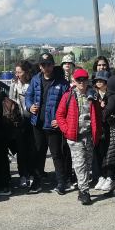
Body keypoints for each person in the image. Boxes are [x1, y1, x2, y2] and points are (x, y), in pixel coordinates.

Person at [25, 52, 70, 194]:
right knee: (39, 153)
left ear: (53, 65)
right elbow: (28, 96)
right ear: (40, 66)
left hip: (54, 125)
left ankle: (61, 183)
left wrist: (61, 119)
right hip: (37, 123)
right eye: (43, 65)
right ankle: (37, 182)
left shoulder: (62, 83)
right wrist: (29, 106)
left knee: (57, 154)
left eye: (49, 64)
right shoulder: (35, 80)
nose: (46, 67)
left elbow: (68, 103)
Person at [57, 69, 101, 206]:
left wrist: (97, 132)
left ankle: (82, 189)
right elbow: (59, 115)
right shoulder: (68, 96)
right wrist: (66, 130)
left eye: (84, 79)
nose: (81, 82)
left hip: (89, 136)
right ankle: (84, 192)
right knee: (80, 164)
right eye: (78, 80)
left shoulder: (93, 95)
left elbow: (98, 115)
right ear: (74, 81)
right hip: (74, 136)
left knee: (87, 164)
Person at [8, 60, 33, 188]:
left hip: (32, 119)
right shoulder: (14, 85)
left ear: (26, 72)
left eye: (20, 72)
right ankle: (23, 174)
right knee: (21, 150)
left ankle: (32, 173)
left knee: (32, 149)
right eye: (16, 72)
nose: (17, 74)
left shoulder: (32, 83)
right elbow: (10, 102)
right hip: (19, 121)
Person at [91, 69, 111, 190]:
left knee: (107, 153)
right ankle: (100, 176)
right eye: (97, 80)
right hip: (96, 128)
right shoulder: (93, 94)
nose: (99, 82)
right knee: (97, 153)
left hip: (108, 128)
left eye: (102, 80)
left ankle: (108, 176)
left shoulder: (110, 94)